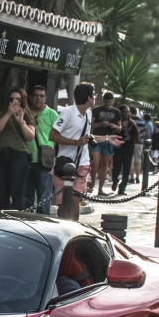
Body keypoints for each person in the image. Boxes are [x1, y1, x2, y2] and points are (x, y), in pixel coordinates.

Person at [50, 83, 96, 221]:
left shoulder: (88, 113)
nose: (95, 99)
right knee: (63, 203)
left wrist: (107, 138)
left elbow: (85, 137)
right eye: (94, 95)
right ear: (88, 98)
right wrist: (75, 142)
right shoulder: (67, 113)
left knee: (75, 199)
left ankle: (73, 229)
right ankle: (62, 229)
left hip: (82, 163)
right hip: (64, 164)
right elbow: (52, 136)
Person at [0, 87, 34, 210]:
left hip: (19, 156)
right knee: (1, 191)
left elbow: (30, 136)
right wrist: (8, 114)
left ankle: (16, 218)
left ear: (22, 101)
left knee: (16, 191)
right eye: (12, 99)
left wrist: (21, 121)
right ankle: (4, 217)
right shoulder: (2, 113)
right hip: (1, 155)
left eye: (18, 99)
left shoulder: (27, 115)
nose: (15, 102)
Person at [23, 85, 59, 214]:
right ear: (31, 97)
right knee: (26, 197)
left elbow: (58, 137)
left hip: (45, 161)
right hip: (26, 159)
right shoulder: (25, 113)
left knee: (44, 198)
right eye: (36, 95)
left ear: (45, 98)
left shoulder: (52, 114)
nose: (38, 98)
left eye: (41, 96)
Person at [89, 91, 123, 195]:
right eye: (106, 102)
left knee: (105, 164)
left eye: (110, 102)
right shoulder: (96, 110)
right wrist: (100, 124)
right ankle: (92, 184)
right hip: (97, 139)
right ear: (103, 101)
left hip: (109, 140)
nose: (108, 104)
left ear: (112, 101)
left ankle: (100, 188)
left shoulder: (116, 112)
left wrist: (114, 126)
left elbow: (119, 128)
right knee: (95, 162)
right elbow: (92, 125)